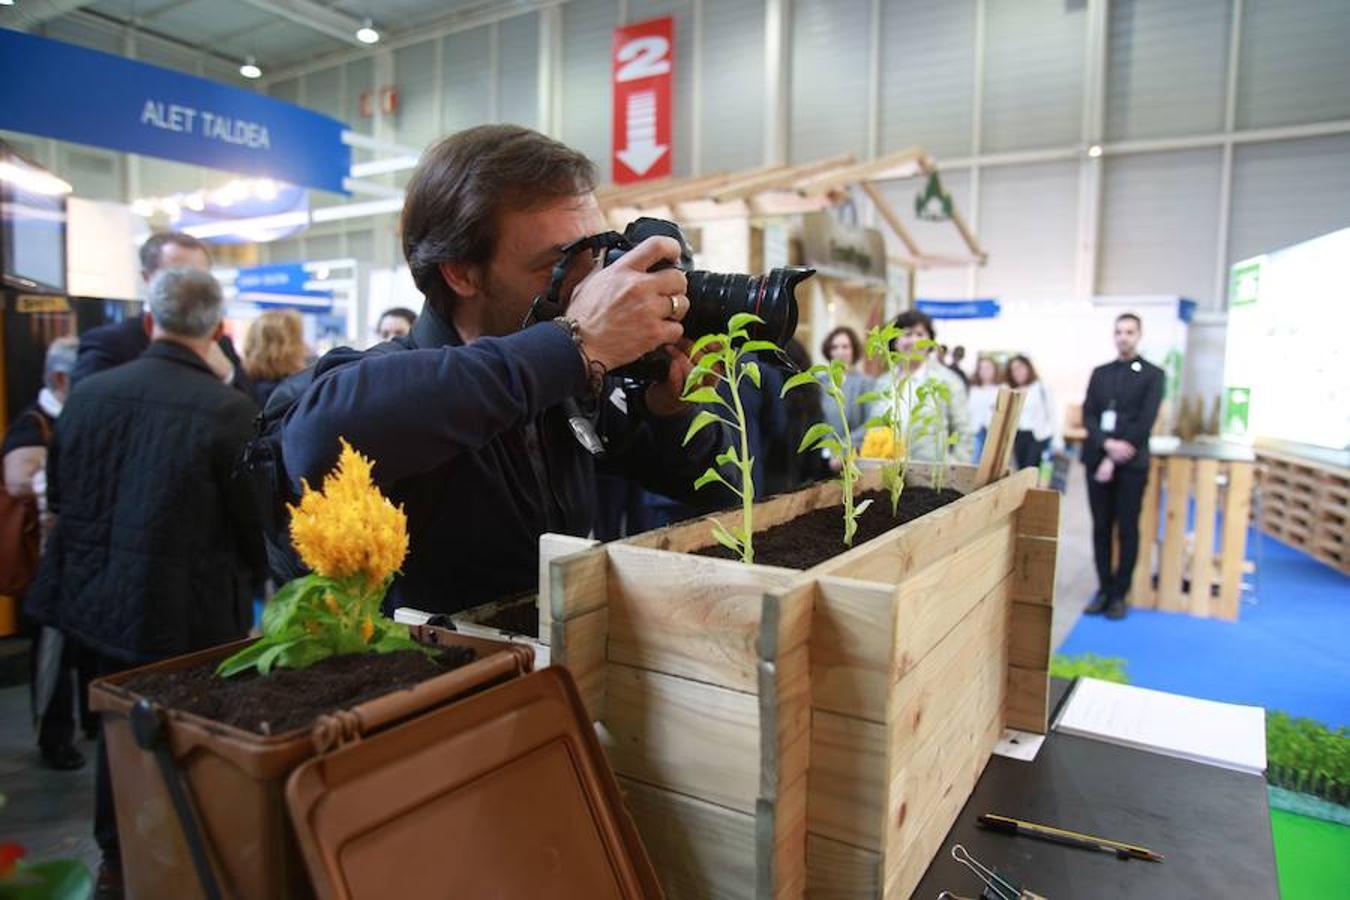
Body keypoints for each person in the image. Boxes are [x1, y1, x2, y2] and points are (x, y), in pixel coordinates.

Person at [282, 125, 723, 615]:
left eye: (597, 253)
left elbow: (706, 485)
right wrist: (576, 343)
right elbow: (318, 436)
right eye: (560, 263)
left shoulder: (569, 382)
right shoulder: (402, 376)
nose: (594, 283)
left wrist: (670, 410)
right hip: (445, 679)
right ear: (462, 272)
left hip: (558, 666)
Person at [26, 268, 265, 895]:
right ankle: (181, 861)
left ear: (151, 321)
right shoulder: (229, 409)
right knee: (188, 738)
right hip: (192, 610)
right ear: (217, 329)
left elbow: (68, 493)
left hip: (100, 597)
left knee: (115, 732)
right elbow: (252, 523)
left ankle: (115, 856)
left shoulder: (90, 393)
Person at [2, 337, 89, 772]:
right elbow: (18, 478)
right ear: (59, 378)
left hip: (84, 553)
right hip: (48, 560)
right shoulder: (33, 424)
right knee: (52, 649)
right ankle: (53, 737)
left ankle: (86, 722)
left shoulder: (77, 416)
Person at [70, 231, 250, 394]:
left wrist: (229, 376)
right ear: (147, 278)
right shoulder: (109, 343)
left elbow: (256, 415)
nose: (190, 286)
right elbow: (86, 411)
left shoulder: (220, 343)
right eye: (175, 275)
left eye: (200, 277)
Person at [1081, 313, 1165, 620]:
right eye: (1118, 331)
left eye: (1129, 332)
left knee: (1127, 529)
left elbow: (1146, 420)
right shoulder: (1100, 373)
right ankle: (1103, 589)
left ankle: (1120, 593)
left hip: (1131, 465)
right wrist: (1105, 445)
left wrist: (1117, 453)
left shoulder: (1153, 375)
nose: (1123, 337)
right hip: (1096, 461)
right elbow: (1089, 415)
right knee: (1101, 528)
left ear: (1139, 335)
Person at [878, 310, 973, 463]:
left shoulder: (948, 380)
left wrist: (955, 467)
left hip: (932, 475)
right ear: (895, 341)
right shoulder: (883, 382)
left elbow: (964, 432)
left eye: (920, 334)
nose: (914, 341)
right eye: (907, 334)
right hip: (887, 472)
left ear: (930, 342)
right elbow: (874, 426)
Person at [817, 326, 874, 470]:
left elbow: (869, 423)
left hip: (854, 458)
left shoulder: (865, 383)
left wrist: (843, 450)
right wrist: (830, 449)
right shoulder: (819, 381)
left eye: (845, 347)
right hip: (821, 458)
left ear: (853, 350)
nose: (840, 352)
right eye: (834, 347)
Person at [243, 309, 309, 408]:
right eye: (299, 340)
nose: (305, 347)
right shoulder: (291, 395)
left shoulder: (243, 386)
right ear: (286, 349)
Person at [1006, 354, 1056, 470]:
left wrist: (1057, 440)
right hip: (1019, 436)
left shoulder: (1041, 387)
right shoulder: (1013, 391)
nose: (1017, 372)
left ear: (1028, 368)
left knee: (1032, 472)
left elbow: (1053, 414)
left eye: (1020, 367)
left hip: (1038, 436)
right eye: (1013, 370)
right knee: (1021, 472)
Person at [968, 356, 1002, 461]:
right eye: (981, 368)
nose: (984, 371)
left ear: (995, 369)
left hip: (993, 432)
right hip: (975, 431)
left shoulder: (1002, 388)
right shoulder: (973, 389)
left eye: (987, 368)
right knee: (973, 461)